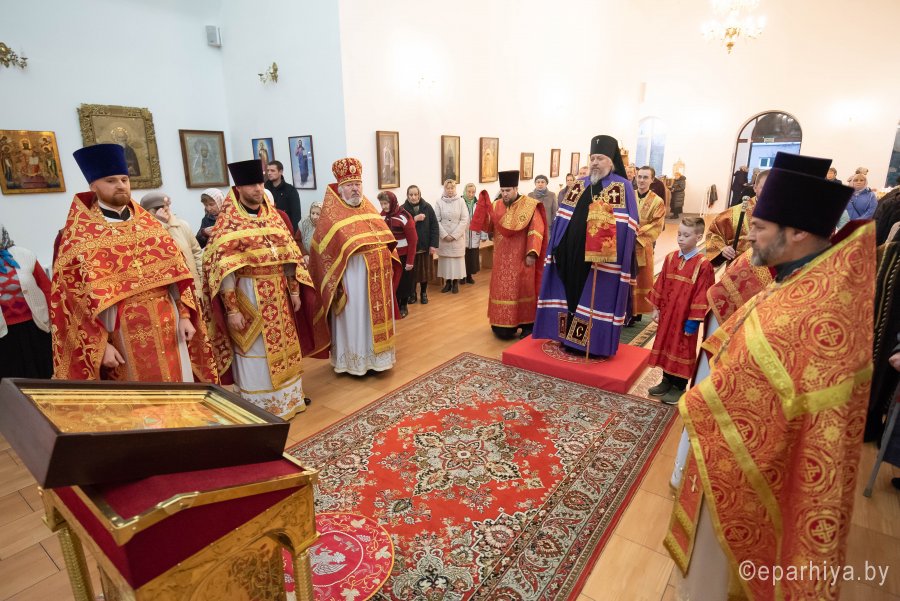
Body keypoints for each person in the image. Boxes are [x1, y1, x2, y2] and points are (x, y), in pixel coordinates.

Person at [665, 152, 872, 600]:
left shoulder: (821, 309)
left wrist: (702, 401)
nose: (749, 236)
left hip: (758, 475)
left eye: (759, 227)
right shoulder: (798, 278)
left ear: (797, 232)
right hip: (736, 460)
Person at [53, 143, 217, 382]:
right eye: (111, 181)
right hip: (120, 331)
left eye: (124, 179)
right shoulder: (77, 237)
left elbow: (177, 276)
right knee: (138, 396)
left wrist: (184, 316)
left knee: (178, 388)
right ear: (93, 186)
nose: (120, 185)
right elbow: (72, 303)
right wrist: (101, 347)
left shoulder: (151, 226)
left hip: (169, 323)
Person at [203, 159, 323, 418]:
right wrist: (232, 310)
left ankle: (289, 398)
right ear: (238, 188)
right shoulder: (227, 224)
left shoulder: (274, 218)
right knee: (255, 350)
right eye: (251, 185)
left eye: (260, 183)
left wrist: (294, 291)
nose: (258, 189)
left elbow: (290, 257)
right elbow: (223, 270)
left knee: (285, 347)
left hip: (279, 295)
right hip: (248, 296)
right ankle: (261, 406)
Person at [533, 134, 639, 357]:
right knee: (570, 294)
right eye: (592, 158)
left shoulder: (622, 186)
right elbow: (562, 218)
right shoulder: (580, 184)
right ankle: (567, 338)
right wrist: (557, 247)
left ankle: (589, 345)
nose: (595, 163)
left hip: (600, 260)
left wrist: (605, 248)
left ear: (611, 161)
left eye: (600, 158)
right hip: (570, 255)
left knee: (591, 297)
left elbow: (628, 225)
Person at [308, 158, 399, 375]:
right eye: (349, 185)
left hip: (377, 277)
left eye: (358, 184)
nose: (355, 188)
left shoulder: (369, 208)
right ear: (340, 189)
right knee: (356, 318)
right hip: (352, 279)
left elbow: (386, 239)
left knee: (372, 317)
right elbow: (322, 254)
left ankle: (379, 360)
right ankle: (356, 363)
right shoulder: (331, 217)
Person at [471, 169, 547, 339]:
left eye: (508, 190)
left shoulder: (529, 205)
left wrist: (532, 253)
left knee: (524, 290)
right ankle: (503, 323)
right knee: (502, 328)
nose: (504, 194)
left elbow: (536, 229)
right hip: (501, 260)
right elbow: (489, 227)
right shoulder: (496, 205)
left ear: (515, 188)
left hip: (522, 258)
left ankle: (527, 324)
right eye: (502, 191)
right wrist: (482, 208)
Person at [646, 217, 715, 404]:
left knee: (682, 349)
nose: (680, 238)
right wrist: (656, 308)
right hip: (668, 315)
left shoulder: (703, 265)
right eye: (679, 234)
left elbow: (702, 294)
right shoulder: (670, 258)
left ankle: (679, 386)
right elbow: (661, 284)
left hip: (685, 319)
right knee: (667, 344)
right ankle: (666, 380)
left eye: (686, 235)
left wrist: (693, 321)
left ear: (698, 237)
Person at [0, 224, 52, 379]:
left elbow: (47, 289)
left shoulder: (24, 255)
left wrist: (56, 321)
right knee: (10, 382)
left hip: (35, 327)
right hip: (4, 334)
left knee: (42, 376)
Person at [705, 168, 770, 266]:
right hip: (739, 268)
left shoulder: (787, 214)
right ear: (755, 188)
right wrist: (723, 249)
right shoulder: (735, 212)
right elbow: (713, 233)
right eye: (764, 187)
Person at [140, 191, 203, 293]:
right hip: (168, 290)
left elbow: (196, 253)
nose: (163, 212)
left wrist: (202, 282)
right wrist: (160, 223)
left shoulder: (182, 225)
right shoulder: (142, 233)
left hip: (193, 286)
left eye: (165, 208)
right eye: (156, 210)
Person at [631, 166, 667, 325]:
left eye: (645, 177)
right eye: (639, 177)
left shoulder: (657, 201)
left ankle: (636, 312)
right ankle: (625, 310)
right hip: (626, 245)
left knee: (641, 278)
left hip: (643, 245)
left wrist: (636, 233)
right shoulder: (629, 195)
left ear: (652, 180)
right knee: (626, 278)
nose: (641, 180)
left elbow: (657, 224)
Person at [379, 191, 417, 318]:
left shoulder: (405, 216)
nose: (383, 207)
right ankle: (393, 306)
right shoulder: (381, 216)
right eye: (381, 204)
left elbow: (413, 240)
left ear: (392, 202)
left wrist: (410, 261)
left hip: (403, 256)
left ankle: (403, 305)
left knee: (403, 282)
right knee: (392, 282)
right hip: (389, 256)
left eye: (386, 203)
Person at [401, 184, 439, 305]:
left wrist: (433, 245)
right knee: (411, 273)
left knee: (424, 272)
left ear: (419, 195)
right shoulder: (402, 209)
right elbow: (401, 228)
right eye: (411, 195)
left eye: (415, 194)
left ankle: (423, 293)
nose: (413, 197)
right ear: (407, 196)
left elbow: (434, 226)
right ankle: (412, 294)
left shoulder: (427, 207)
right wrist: (414, 219)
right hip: (410, 249)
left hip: (425, 247)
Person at [434, 179, 469, 294]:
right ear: (444, 189)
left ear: (455, 188)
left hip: (457, 238)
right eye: (448, 188)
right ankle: (448, 283)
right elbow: (436, 220)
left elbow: (464, 219)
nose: (450, 190)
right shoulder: (439, 202)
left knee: (456, 262)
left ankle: (455, 283)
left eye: (452, 188)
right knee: (446, 262)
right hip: (444, 238)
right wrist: (444, 235)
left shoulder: (461, 201)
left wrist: (454, 235)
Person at [265, 160, 302, 230]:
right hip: (268, 227)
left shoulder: (290, 190)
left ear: (280, 172)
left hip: (285, 228)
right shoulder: (264, 189)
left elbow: (296, 215)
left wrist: (293, 232)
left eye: (272, 171)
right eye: (268, 170)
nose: (269, 173)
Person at [461, 183, 482, 285]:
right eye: (469, 192)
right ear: (465, 191)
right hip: (463, 233)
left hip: (474, 234)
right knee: (463, 256)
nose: (471, 194)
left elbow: (482, 219)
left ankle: (469, 276)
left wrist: (483, 235)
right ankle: (462, 276)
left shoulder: (478, 204)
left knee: (472, 257)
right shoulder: (460, 202)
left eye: (473, 192)